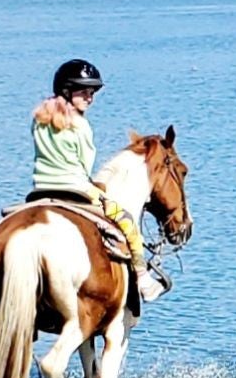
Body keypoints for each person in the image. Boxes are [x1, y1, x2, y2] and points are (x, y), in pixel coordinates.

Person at [28, 59, 163, 301]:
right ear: (67, 90)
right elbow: (84, 163)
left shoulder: (38, 119)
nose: (90, 98)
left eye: (92, 92)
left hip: (40, 188)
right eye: (84, 91)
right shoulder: (80, 125)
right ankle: (143, 278)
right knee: (127, 223)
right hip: (76, 188)